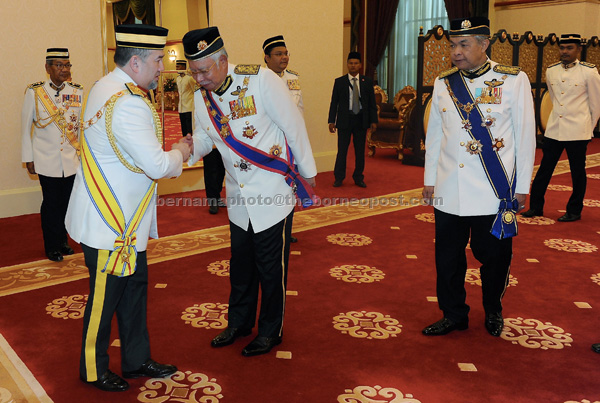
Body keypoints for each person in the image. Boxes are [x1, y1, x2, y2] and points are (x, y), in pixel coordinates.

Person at [65, 24, 190, 392]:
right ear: (135, 62)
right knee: (104, 301)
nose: (160, 68)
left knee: (134, 291)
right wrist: (181, 152)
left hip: (123, 223)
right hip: (112, 226)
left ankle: (136, 359)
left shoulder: (106, 85)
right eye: (155, 60)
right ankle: (92, 368)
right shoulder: (129, 103)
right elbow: (157, 165)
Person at [182, 27, 317, 356]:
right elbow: (205, 139)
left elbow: (293, 126)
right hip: (239, 197)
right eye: (193, 71)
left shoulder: (260, 80)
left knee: (272, 269)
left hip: (272, 191)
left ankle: (272, 330)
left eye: (204, 70)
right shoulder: (201, 99)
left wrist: (309, 173)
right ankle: (239, 323)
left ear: (223, 60)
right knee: (240, 266)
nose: (198, 78)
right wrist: (185, 149)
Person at [422, 17, 536, 337]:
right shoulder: (444, 83)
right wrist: (430, 180)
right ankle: (453, 313)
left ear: (484, 45)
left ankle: (493, 310)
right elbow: (435, 137)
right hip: (449, 188)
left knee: (494, 259)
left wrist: (523, 186)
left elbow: (525, 138)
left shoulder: (512, 80)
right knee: (447, 259)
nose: (456, 52)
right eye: (452, 46)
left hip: (492, 191)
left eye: (464, 45)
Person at [521, 34, 600, 222]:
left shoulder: (589, 72)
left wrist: (589, 128)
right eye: (562, 48)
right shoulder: (551, 71)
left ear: (578, 49)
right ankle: (536, 207)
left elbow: (596, 105)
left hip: (577, 130)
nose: (565, 51)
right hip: (555, 128)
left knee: (577, 172)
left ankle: (574, 210)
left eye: (569, 48)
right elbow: (556, 99)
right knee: (544, 170)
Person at [21, 48, 83, 262]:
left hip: (70, 160)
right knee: (51, 204)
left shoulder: (77, 91)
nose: (64, 69)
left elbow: (81, 127)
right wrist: (28, 157)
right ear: (47, 68)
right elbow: (25, 127)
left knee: (67, 203)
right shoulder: (35, 92)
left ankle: (63, 241)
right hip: (45, 159)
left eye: (67, 65)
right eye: (59, 65)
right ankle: (52, 246)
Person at [263, 34, 302, 242]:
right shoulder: (259, 81)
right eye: (278, 54)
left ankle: (287, 230)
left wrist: (301, 142)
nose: (284, 57)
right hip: (268, 147)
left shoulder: (293, 79)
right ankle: (270, 231)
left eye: (286, 53)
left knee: (290, 188)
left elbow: (300, 112)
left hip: (290, 145)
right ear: (267, 58)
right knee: (270, 189)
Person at [176, 60, 225, 214]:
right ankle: (212, 200)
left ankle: (217, 196)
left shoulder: (228, 90)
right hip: (207, 137)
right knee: (211, 169)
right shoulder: (199, 92)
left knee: (222, 169)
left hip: (225, 139)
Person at [328, 51, 377, 188]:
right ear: (347, 64)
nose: (353, 65)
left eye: (356, 63)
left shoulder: (366, 82)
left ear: (360, 65)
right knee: (342, 151)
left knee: (360, 151)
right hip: (344, 120)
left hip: (361, 120)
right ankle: (339, 177)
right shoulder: (339, 82)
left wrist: (373, 121)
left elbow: (372, 103)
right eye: (351, 63)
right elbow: (334, 103)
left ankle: (358, 177)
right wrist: (331, 120)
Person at [175, 59, 196, 137]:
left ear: (183, 67)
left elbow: (194, 91)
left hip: (189, 107)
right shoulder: (178, 79)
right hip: (181, 107)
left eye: (178, 66)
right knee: (183, 127)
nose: (176, 69)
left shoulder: (189, 78)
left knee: (189, 128)